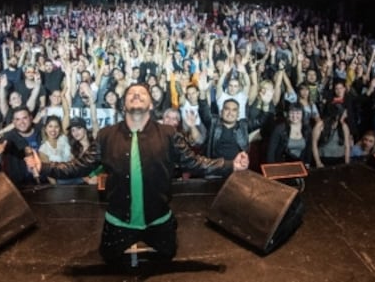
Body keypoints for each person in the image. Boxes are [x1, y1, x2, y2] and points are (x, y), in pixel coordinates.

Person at [26, 83, 249, 266]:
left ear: (151, 104)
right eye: (131, 94)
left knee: (166, 257)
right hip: (118, 221)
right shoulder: (106, 135)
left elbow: (196, 162)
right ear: (124, 104)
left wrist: (230, 165)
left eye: (142, 93)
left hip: (158, 220)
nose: (136, 96)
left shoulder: (169, 134)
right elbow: (78, 166)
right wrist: (44, 168)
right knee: (109, 260)